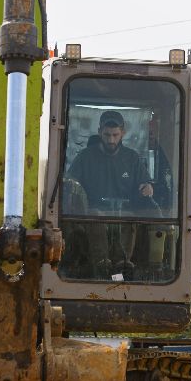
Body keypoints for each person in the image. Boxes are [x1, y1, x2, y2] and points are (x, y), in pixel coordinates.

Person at [63, 110, 154, 276]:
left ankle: (122, 265)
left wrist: (146, 187)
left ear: (123, 133)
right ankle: (102, 264)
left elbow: (145, 183)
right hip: (93, 213)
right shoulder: (85, 157)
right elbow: (69, 183)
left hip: (125, 212)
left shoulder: (132, 158)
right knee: (96, 214)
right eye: (106, 135)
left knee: (130, 217)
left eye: (115, 135)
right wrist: (73, 189)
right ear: (99, 132)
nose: (111, 140)